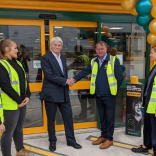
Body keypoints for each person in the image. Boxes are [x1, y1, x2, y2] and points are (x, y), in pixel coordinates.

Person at [71, 41, 123, 149]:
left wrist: (113, 90)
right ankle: (103, 136)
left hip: (109, 95)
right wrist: (74, 79)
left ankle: (109, 138)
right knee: (102, 117)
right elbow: (85, 72)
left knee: (109, 117)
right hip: (98, 94)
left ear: (106, 49)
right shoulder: (94, 61)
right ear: (95, 50)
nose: (100, 50)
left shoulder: (113, 61)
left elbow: (120, 78)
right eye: (98, 49)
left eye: (102, 48)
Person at [40, 37, 82, 152]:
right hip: (51, 94)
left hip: (63, 93)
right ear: (51, 46)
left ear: (61, 47)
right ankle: (52, 142)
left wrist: (68, 81)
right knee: (51, 119)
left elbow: (62, 74)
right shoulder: (45, 58)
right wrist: (66, 81)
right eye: (55, 45)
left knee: (68, 117)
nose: (57, 47)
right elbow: (49, 76)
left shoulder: (63, 57)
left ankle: (71, 140)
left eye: (59, 45)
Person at [0, 39, 33, 156]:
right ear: (6, 49)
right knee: (8, 133)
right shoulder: (1, 64)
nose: (17, 50)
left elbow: (24, 80)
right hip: (10, 106)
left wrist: (28, 95)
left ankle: (20, 151)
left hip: (21, 103)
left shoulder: (17, 62)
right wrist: (19, 101)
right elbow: (6, 86)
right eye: (15, 48)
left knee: (19, 129)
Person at [131, 46, 156, 156]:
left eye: (152, 53)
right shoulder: (154, 66)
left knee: (155, 133)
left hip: (154, 108)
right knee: (148, 128)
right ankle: (146, 146)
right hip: (149, 105)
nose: (150, 55)